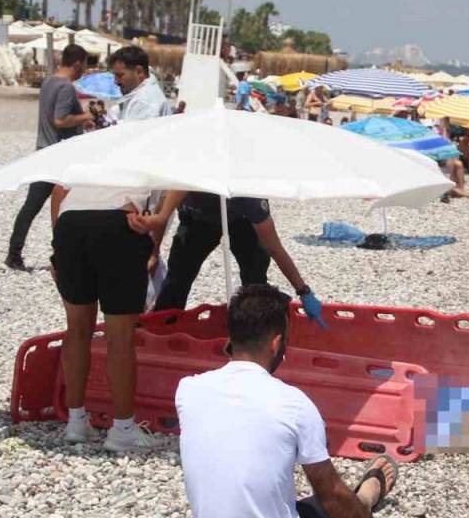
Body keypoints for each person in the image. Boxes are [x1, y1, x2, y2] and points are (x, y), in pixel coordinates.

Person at [176, 284, 400, 518]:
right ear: (276, 344)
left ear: (231, 340)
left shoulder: (188, 390)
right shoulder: (294, 405)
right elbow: (331, 496)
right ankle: (366, 495)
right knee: (337, 503)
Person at [52, 44, 175, 452]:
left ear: (140, 71)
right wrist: (156, 230)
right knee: (120, 335)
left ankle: (76, 422)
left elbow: (59, 189)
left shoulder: (108, 133)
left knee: (78, 329)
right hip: (115, 219)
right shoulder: (152, 119)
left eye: (121, 74)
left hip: (72, 217)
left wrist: (56, 248)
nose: (116, 80)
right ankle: (122, 430)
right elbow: (178, 177)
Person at [152, 191, 326, 328]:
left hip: (241, 220)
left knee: (255, 278)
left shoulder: (250, 199)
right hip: (197, 219)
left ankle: (255, 332)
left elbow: (274, 247)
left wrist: (303, 291)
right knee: (177, 279)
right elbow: (160, 216)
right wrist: (153, 253)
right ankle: (161, 332)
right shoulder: (187, 182)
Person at [5, 44, 92, 271]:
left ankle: (14, 254)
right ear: (77, 63)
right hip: (58, 157)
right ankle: (64, 255)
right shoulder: (65, 86)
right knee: (69, 208)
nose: (85, 69)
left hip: (43, 151)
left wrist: (82, 118)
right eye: (85, 64)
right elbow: (60, 120)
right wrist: (88, 115)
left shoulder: (48, 82)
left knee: (31, 207)